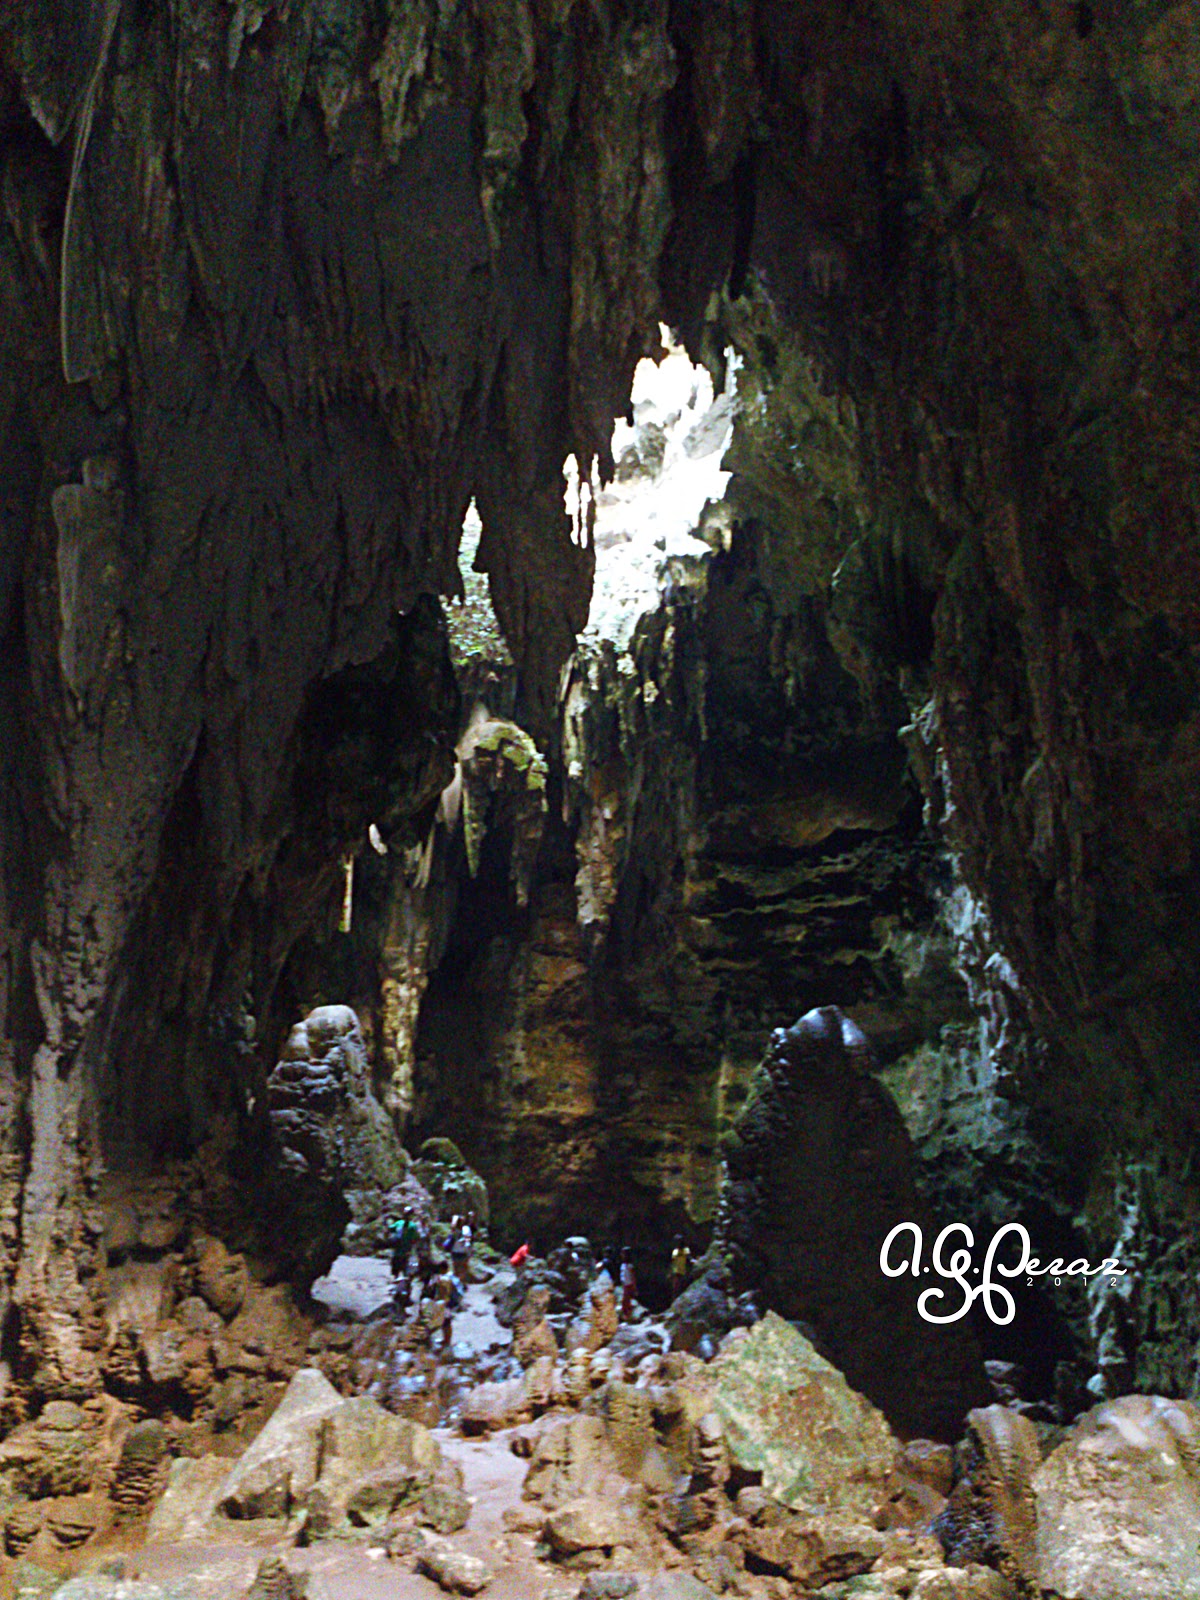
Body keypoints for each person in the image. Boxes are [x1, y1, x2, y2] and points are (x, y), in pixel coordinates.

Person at [669, 1235, 691, 1302]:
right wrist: (670, 1272)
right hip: (675, 1271)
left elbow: (689, 1259)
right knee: (674, 1288)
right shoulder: (675, 1250)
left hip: (682, 1272)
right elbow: (673, 1261)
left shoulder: (685, 1250)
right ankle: (674, 1302)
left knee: (680, 1288)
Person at [619, 1247, 637, 1322]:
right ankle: (626, 1316)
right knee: (625, 1302)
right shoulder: (623, 1265)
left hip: (629, 1285)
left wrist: (634, 1287)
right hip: (624, 1285)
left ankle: (629, 1317)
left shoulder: (630, 1265)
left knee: (627, 1302)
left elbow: (633, 1276)